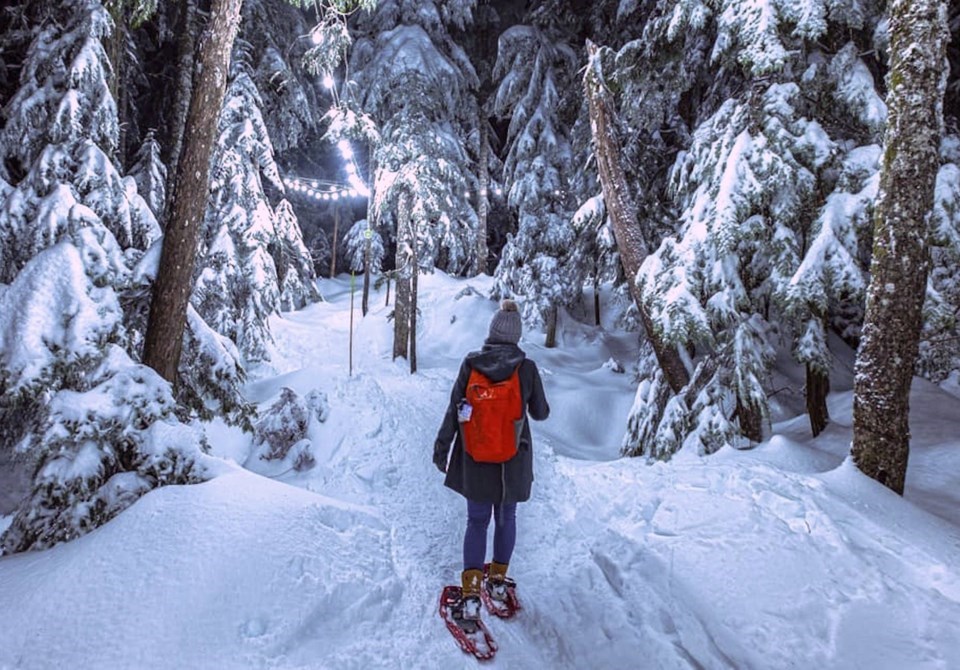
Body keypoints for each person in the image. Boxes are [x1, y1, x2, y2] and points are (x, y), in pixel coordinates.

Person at [432, 298, 550, 626]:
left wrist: (442, 447)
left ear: (491, 332)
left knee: (477, 521)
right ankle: (496, 583)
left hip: (475, 457)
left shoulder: (471, 364)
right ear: (516, 336)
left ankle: (470, 594)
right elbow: (540, 413)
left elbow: (454, 410)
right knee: (506, 517)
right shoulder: (526, 368)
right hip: (513, 461)